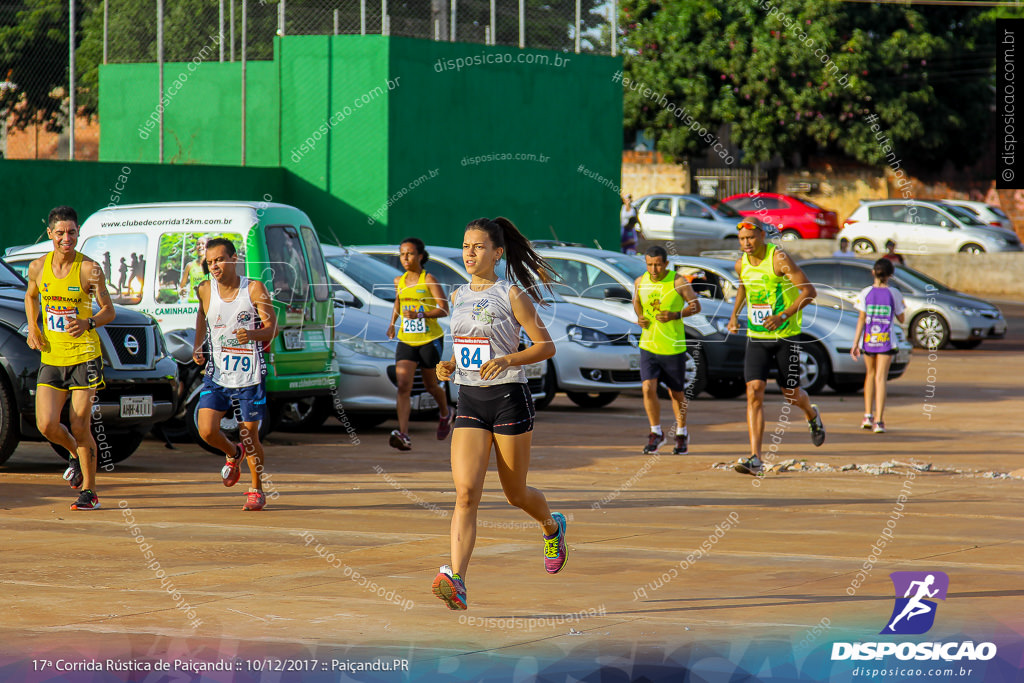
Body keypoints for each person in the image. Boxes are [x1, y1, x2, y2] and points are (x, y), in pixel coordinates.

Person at [432, 217, 566, 610]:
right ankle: (457, 580)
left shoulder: (511, 294)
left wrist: (508, 358)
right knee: (466, 494)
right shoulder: (457, 296)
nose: (469, 253)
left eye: (477, 246)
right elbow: (468, 344)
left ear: (497, 253)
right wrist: (450, 364)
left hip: (509, 398)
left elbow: (546, 347)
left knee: (515, 494)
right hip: (470, 400)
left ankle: (551, 526)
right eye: (465, 245)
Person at [24, 206, 115, 511]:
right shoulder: (38, 267)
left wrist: (88, 323)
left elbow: (108, 310)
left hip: (84, 357)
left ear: (78, 233)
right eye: (60, 233)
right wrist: (33, 328)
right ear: (50, 233)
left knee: (79, 423)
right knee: (47, 424)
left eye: (72, 232)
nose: (66, 238)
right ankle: (75, 455)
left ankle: (89, 490)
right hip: (52, 356)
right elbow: (31, 296)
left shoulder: (90, 269)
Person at [727, 217, 826, 476]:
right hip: (757, 336)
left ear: (762, 236)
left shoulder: (779, 258)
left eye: (750, 238)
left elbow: (809, 291)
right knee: (754, 391)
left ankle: (811, 414)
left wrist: (782, 316)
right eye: (741, 240)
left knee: (791, 394)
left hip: (786, 335)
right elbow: (744, 288)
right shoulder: (741, 264)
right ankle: (755, 458)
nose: (746, 244)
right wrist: (734, 315)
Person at [192, 237, 278, 511]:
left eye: (219, 259)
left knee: (250, 436)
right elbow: (201, 315)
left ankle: (257, 489)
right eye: (210, 261)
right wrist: (199, 344)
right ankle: (232, 453)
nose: (214, 266)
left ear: (234, 258)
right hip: (217, 374)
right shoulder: (205, 289)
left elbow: (272, 327)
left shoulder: (253, 289)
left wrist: (251, 334)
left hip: (249, 376)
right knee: (206, 431)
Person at [632, 245, 701, 455]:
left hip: (672, 346)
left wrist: (675, 315)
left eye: (658, 264)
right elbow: (636, 302)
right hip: (648, 345)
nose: (653, 269)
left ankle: (681, 432)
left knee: (676, 393)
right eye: (649, 264)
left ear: (666, 263)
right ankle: (656, 432)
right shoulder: (640, 281)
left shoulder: (677, 281)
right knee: (647, 387)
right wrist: (640, 317)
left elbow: (696, 305)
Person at [386, 237, 452, 450]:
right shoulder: (399, 280)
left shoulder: (429, 279)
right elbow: (399, 301)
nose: (405, 258)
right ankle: (403, 434)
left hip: (429, 340)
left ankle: (445, 412)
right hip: (406, 338)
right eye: (402, 254)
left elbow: (444, 309)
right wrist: (392, 323)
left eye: (410, 253)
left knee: (430, 385)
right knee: (403, 385)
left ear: (421, 256)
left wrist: (420, 314)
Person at [851, 258, 906, 433]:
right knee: (881, 378)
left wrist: (855, 343)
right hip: (886, 340)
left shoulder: (865, 292)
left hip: (868, 340)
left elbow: (861, 319)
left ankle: (867, 415)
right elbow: (902, 318)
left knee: (870, 375)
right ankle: (879, 421)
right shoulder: (894, 293)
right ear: (890, 275)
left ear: (873, 272)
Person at [179, 235, 208, 302]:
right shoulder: (189, 265)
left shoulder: (213, 265)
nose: (200, 246)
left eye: (203, 244)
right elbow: (181, 287)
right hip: (192, 304)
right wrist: (182, 291)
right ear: (195, 248)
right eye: (198, 244)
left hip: (208, 304)